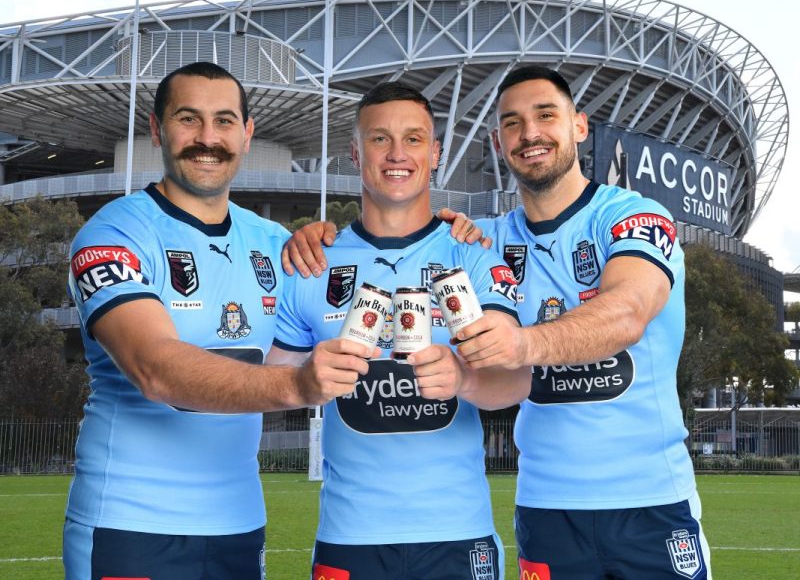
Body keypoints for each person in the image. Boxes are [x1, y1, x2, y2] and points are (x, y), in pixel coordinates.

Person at [286, 66, 712, 579]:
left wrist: (519, 345)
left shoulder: (634, 216)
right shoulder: (480, 242)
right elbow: (411, 234)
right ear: (497, 141)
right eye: (513, 123)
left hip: (650, 498)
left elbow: (626, 313)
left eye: (545, 116)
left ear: (579, 125)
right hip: (545, 503)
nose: (530, 133)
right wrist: (317, 236)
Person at [63, 61, 376, 580]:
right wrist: (297, 385)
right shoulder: (115, 234)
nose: (208, 138)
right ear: (157, 129)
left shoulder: (276, 245)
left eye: (225, 121)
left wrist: (455, 234)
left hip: (239, 525)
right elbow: (154, 369)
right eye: (189, 119)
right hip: (129, 525)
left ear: (247, 134)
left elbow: (349, 308)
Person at [266, 81, 527, 580]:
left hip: (457, 536)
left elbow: (515, 381)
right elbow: (269, 389)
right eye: (379, 139)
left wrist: (465, 380)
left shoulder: (472, 254)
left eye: (413, 139)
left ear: (434, 153)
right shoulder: (313, 262)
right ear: (355, 152)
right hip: (350, 538)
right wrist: (304, 384)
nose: (396, 154)